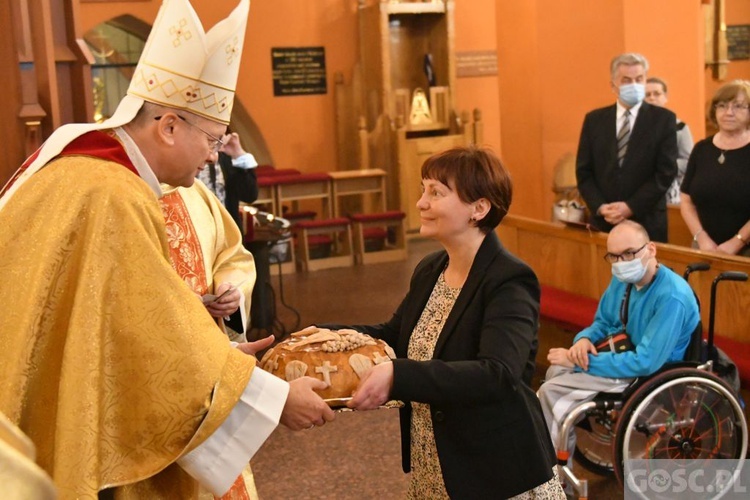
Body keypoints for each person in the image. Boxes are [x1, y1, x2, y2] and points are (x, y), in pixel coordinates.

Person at [0, 0, 333, 498]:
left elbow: (127, 327)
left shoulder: (80, 171)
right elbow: (157, 346)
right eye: (212, 140)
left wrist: (221, 352)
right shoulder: (115, 194)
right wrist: (274, 398)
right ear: (169, 126)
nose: (212, 155)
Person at [322, 146, 564, 499]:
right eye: (424, 190)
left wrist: (398, 375)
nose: (421, 202)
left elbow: (497, 373)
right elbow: (392, 337)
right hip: (435, 461)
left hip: (496, 469)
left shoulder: (508, 279)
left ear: (479, 209)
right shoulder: (432, 268)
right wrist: (324, 335)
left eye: (436, 193)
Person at [537, 220, 700, 463]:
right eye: (614, 256)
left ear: (651, 249)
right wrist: (582, 341)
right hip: (627, 354)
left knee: (550, 393)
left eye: (629, 253)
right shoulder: (623, 281)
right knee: (555, 371)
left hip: (652, 373)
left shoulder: (671, 296)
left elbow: (646, 362)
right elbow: (603, 322)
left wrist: (581, 364)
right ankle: (560, 451)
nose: (622, 263)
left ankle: (553, 480)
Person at [576, 53, 678, 242]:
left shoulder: (664, 119)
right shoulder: (594, 120)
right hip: (604, 221)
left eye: (639, 79)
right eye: (626, 80)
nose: (634, 85)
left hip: (646, 220)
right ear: (613, 85)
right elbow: (584, 172)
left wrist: (630, 206)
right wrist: (599, 207)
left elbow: (665, 172)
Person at [680, 80, 750, 257]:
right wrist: (701, 238)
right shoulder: (702, 149)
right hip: (704, 248)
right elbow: (686, 201)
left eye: (738, 106)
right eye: (722, 106)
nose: (728, 112)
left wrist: (738, 241)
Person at [644, 77, 695, 205]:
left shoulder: (680, 127)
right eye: (647, 95)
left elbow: (689, 161)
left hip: (669, 189)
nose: (652, 98)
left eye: (657, 93)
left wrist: (663, 167)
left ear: (665, 97)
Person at [197, 131, 259, 233]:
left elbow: (250, 195)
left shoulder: (225, 156)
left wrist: (238, 154)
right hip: (199, 231)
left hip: (227, 232)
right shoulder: (186, 157)